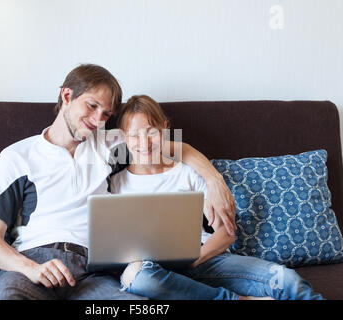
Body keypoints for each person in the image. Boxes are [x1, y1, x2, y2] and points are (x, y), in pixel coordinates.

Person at [0, 64, 238, 300]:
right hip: (35, 263)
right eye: (92, 106)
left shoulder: (108, 144)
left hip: (95, 271)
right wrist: (30, 269)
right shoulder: (17, 156)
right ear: (67, 96)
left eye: (106, 114)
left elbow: (179, 149)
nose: (98, 120)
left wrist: (214, 181)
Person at [110, 94, 324, 300]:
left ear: (165, 129)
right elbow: (115, 245)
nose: (144, 143)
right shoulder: (116, 183)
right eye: (134, 135)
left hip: (205, 260)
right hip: (153, 270)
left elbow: (227, 233)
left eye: (151, 132)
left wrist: (194, 261)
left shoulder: (187, 173)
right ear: (122, 137)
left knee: (286, 280)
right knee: (141, 278)